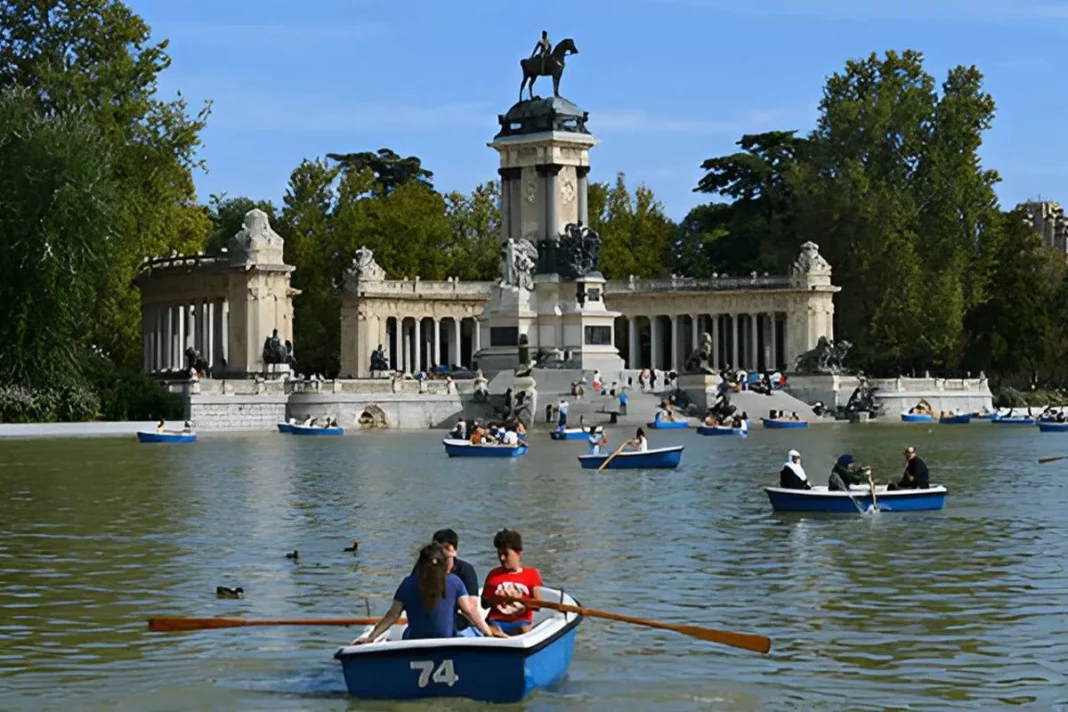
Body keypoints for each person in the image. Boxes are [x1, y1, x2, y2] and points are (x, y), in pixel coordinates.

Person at [354, 543, 502, 644]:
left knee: (405, 631)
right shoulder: (455, 582)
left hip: (415, 641)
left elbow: (393, 615)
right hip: (447, 640)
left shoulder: (407, 583)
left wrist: (371, 637)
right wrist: (488, 633)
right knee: (470, 631)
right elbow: (470, 612)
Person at [411, 529, 482, 636]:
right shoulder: (422, 568)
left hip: (458, 620)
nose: (439, 553)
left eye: (444, 548)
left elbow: (471, 608)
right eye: (436, 548)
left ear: (454, 551)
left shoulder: (465, 570)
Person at [482, 529, 543, 636]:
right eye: (499, 554)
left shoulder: (531, 574)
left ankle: (507, 640)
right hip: (496, 621)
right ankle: (502, 638)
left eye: (506, 554)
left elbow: (538, 604)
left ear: (518, 553)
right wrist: (495, 599)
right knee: (488, 629)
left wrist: (519, 600)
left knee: (524, 630)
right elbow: (484, 603)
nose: (502, 558)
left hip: (521, 622)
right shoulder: (493, 574)